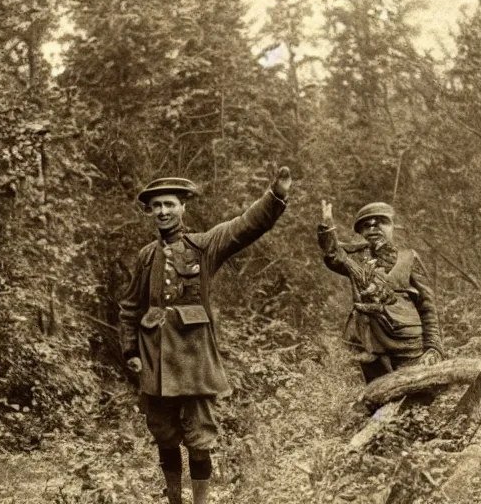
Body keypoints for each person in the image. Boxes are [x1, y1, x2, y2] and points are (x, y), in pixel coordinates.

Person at [119, 168, 291, 504]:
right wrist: (130, 352)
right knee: (164, 436)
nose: (163, 211)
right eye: (156, 206)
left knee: (200, 439)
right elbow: (129, 308)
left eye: (169, 204)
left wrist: (275, 196)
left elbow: (243, 226)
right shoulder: (145, 257)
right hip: (156, 364)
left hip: (195, 361)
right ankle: (174, 501)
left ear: (183, 206)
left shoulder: (203, 246)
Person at [317, 200, 444, 384]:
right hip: (369, 344)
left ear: (392, 226)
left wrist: (433, 346)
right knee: (371, 399)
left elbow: (427, 305)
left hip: (409, 343)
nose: (373, 228)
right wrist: (327, 225)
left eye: (380, 222)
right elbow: (333, 255)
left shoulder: (408, 257)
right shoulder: (357, 259)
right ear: (361, 233)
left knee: (419, 393)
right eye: (366, 226)